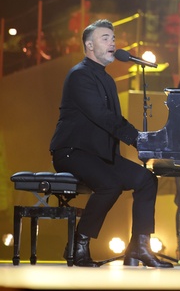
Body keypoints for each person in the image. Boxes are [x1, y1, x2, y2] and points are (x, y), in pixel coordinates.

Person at [49, 19, 172, 268]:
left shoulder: (106, 79)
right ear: (89, 45)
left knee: (146, 180)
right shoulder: (79, 76)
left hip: (100, 155)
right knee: (109, 184)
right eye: (105, 38)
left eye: (113, 38)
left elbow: (115, 119)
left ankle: (139, 246)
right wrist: (137, 139)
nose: (113, 43)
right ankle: (77, 245)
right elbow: (103, 117)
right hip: (73, 152)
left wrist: (144, 139)